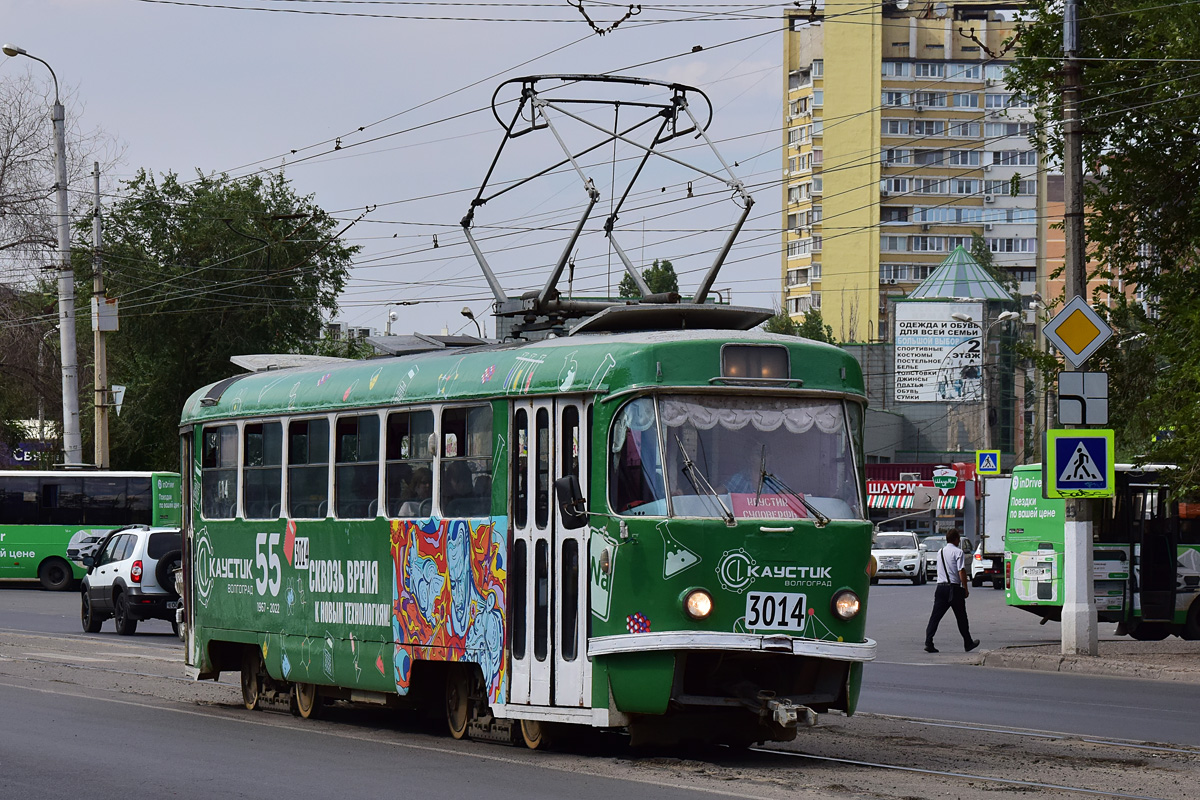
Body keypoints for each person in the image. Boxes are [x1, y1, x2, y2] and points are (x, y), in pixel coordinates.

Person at [924, 527, 980, 653]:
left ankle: (929, 641)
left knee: (935, 617)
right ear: (955, 539)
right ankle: (968, 642)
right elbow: (961, 571)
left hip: (940, 588)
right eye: (958, 539)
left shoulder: (940, 552)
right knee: (961, 617)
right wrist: (965, 588)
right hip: (954, 589)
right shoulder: (958, 552)